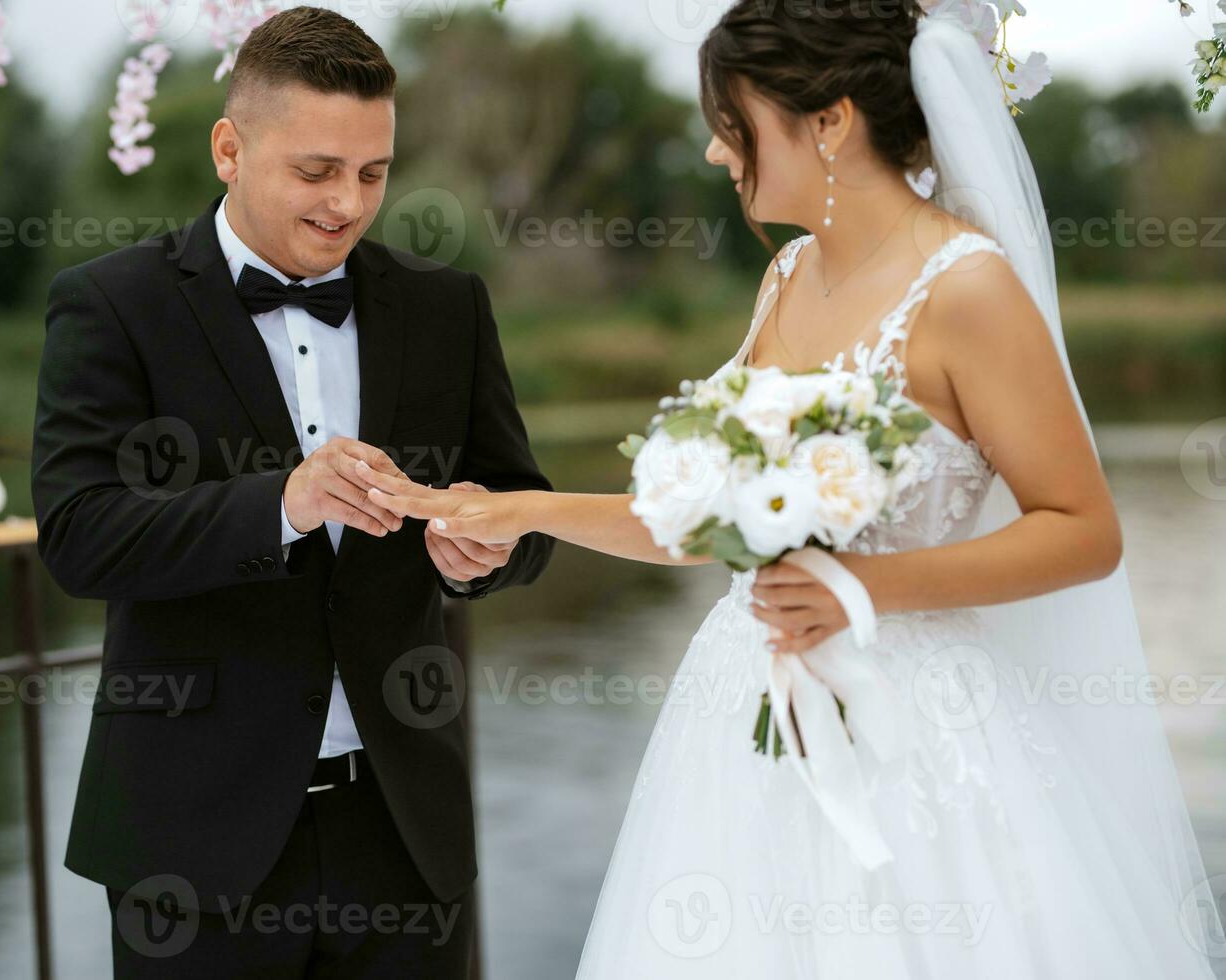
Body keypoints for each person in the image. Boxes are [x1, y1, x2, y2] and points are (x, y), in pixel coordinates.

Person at [356, 1, 1223, 975]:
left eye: (734, 124)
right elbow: (705, 522)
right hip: (743, 726)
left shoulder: (966, 288)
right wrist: (513, 511)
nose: (718, 154)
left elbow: (1083, 530)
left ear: (828, 121)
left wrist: (860, 585)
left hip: (915, 740)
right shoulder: (786, 279)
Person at [30, 7, 554, 975]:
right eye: (315, 171)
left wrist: (490, 549)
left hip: (400, 835)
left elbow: (526, 511)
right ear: (229, 148)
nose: (347, 203)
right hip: (189, 847)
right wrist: (283, 501)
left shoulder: (448, 307)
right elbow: (79, 533)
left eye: (372, 172)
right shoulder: (112, 305)